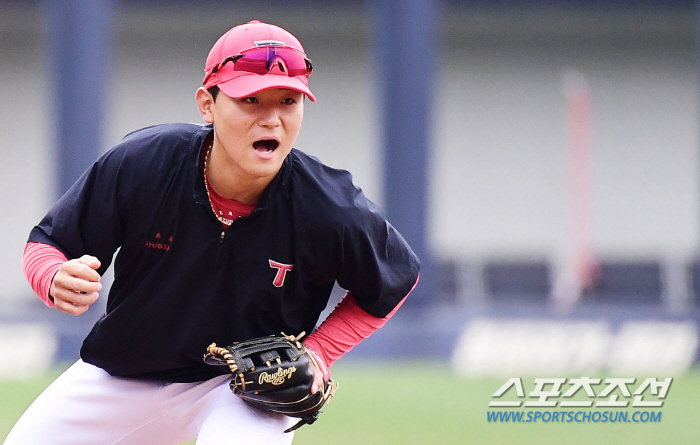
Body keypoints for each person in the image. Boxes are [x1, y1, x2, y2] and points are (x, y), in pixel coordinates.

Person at [5, 20, 419, 445]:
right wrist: (53, 277)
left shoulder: (331, 206)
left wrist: (319, 352)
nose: (272, 119)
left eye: (288, 100)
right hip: (123, 375)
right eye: (251, 99)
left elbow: (395, 280)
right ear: (208, 104)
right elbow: (47, 243)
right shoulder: (144, 164)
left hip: (244, 390)